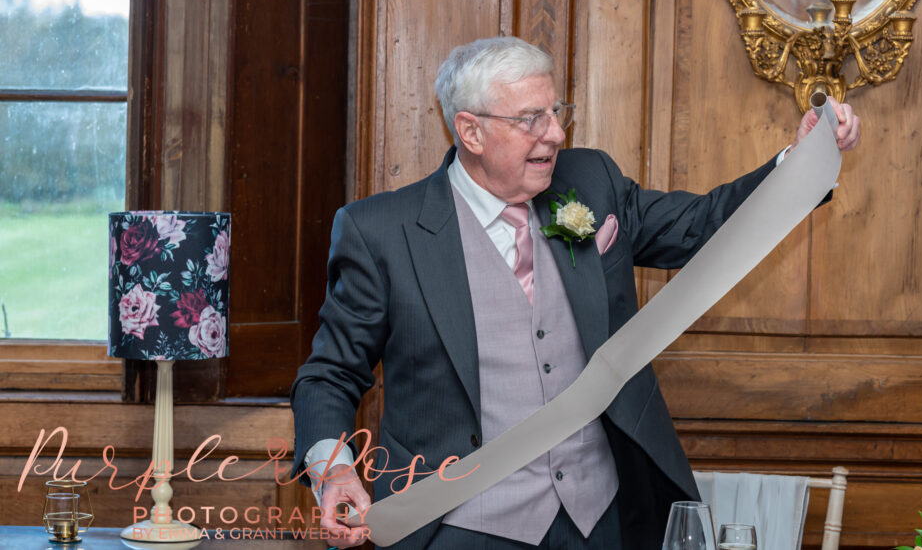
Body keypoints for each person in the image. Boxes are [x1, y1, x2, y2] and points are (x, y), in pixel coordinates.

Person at [290, 36, 861, 549]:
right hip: (459, 524)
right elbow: (329, 376)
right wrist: (334, 470)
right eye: (530, 119)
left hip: (604, 517)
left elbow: (703, 225)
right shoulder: (381, 231)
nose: (556, 134)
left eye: (555, 112)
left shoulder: (592, 183)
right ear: (470, 131)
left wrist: (803, 161)